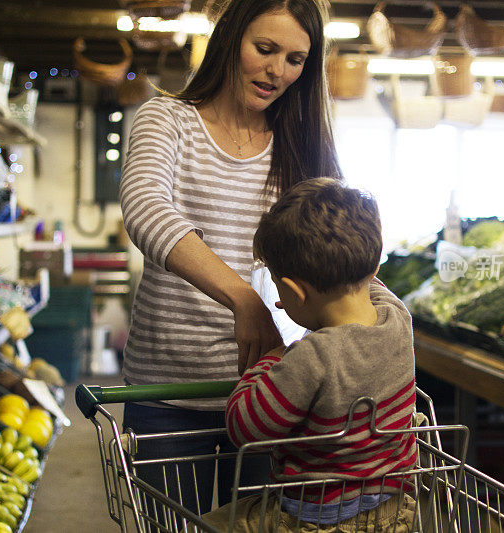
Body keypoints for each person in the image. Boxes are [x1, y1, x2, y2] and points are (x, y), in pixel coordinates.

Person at [118, 0, 342, 515]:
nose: (277, 71)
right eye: (264, 49)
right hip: (170, 399)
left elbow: (336, 251)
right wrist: (244, 298)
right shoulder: (168, 120)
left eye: (294, 59)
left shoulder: (300, 147)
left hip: (274, 398)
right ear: (231, 39)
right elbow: (146, 208)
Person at [203, 178, 418, 532]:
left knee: (204, 524)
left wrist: (270, 358)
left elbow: (244, 426)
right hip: (394, 508)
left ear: (292, 292)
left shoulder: (310, 358)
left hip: (316, 519)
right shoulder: (397, 317)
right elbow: (372, 286)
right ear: (374, 266)